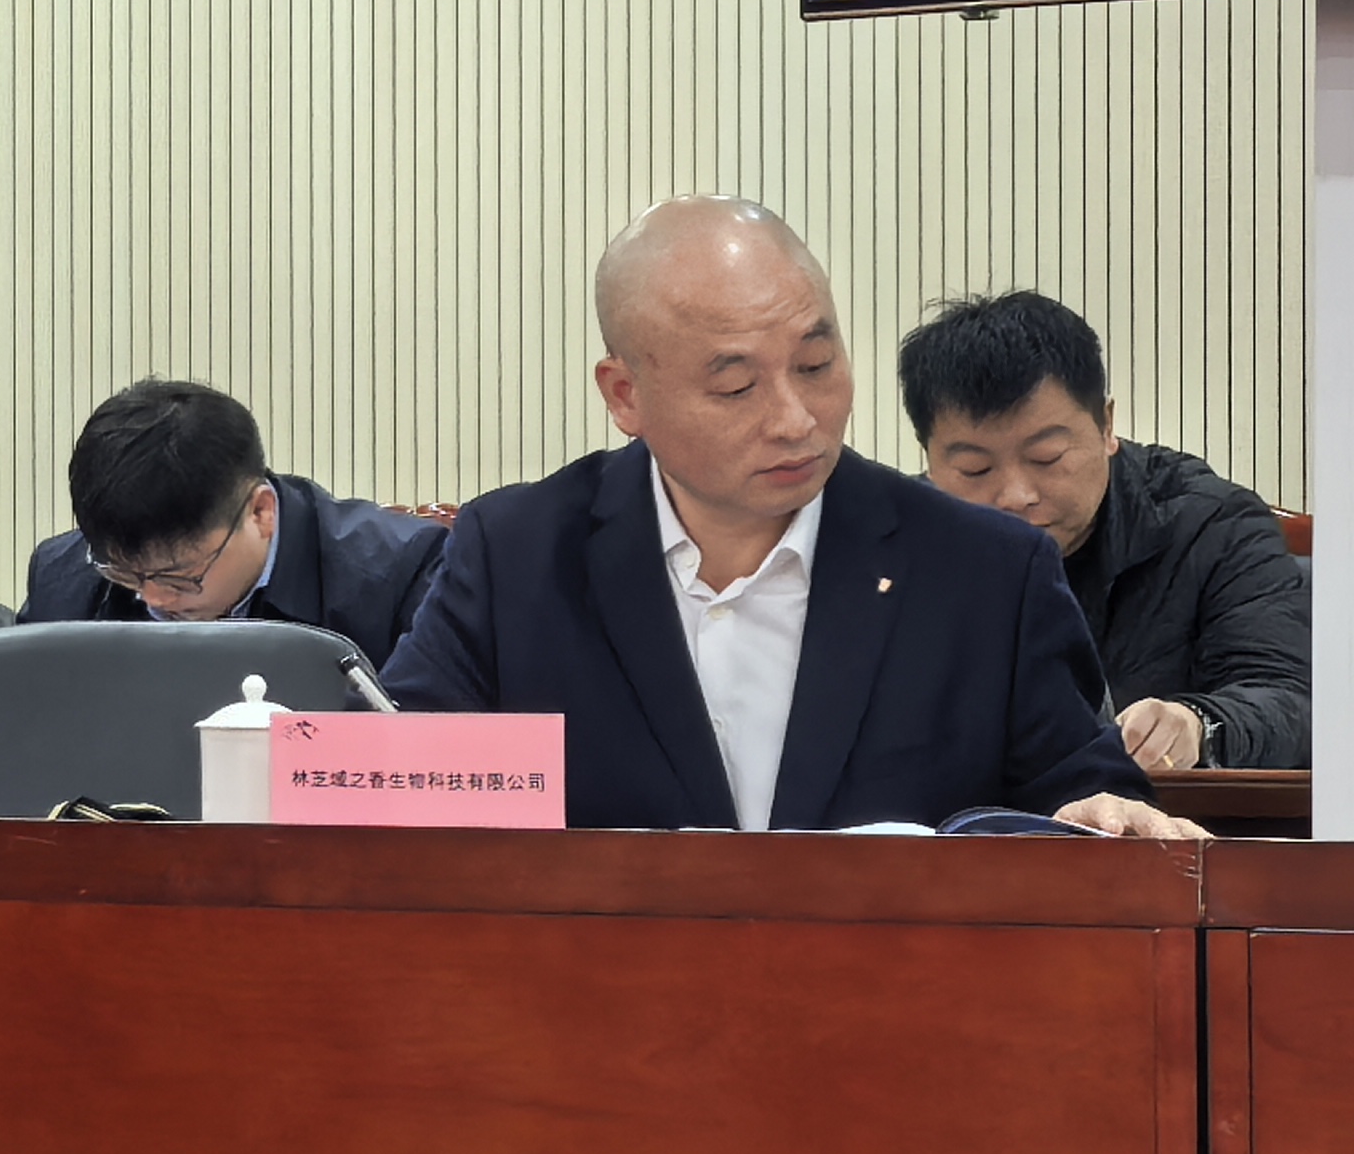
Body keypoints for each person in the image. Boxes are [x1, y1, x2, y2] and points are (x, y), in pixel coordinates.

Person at [381, 199, 1187, 840]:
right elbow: (391, 789)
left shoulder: (985, 571)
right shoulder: (516, 555)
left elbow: (1082, 796)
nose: (798, 419)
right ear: (625, 395)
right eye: (736, 387)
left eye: (816, 364)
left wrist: (1101, 813)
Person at [899, 290, 1309, 771]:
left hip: (1158, 812)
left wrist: (1198, 724)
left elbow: (1291, 700)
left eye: (1046, 457)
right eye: (975, 469)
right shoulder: (895, 543)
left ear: (1106, 426)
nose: (1016, 496)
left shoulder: (1211, 525)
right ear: (930, 460)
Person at [19, 380, 445, 666]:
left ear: (260, 512)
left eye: (179, 577)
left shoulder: (399, 577)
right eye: (127, 574)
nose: (153, 600)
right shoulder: (63, 578)